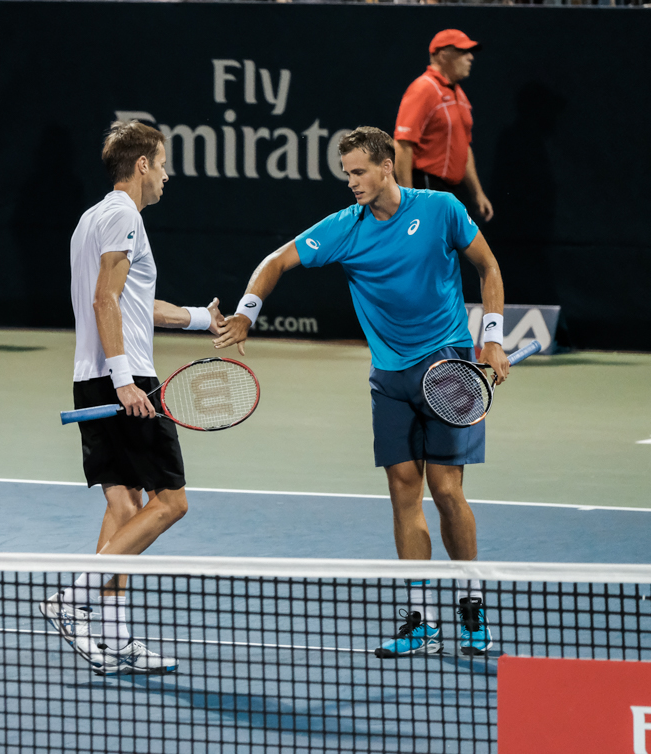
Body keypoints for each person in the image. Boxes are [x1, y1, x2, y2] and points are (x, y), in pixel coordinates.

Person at [213, 126, 507, 658]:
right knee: (402, 491)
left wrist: (492, 339)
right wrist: (246, 313)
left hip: (449, 365)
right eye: (346, 173)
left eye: (358, 171)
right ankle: (420, 617)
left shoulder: (441, 208)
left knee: (446, 490)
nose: (350, 182)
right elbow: (275, 262)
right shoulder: (344, 229)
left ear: (386, 166)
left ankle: (472, 602)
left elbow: (487, 267)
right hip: (390, 378)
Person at [40, 120, 224, 675]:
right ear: (142, 164)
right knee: (172, 502)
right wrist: (125, 380)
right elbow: (104, 301)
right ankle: (71, 600)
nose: (167, 175)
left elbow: (132, 303)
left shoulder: (92, 219)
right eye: (163, 164)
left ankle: (116, 637)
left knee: (125, 508)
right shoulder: (124, 216)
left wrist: (198, 318)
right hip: (124, 381)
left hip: (91, 376)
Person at [393, 29, 493, 223]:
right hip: (427, 185)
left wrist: (477, 193)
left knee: (444, 249)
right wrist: (407, 198)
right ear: (443, 54)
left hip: (450, 190)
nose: (470, 58)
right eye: (464, 52)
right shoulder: (424, 88)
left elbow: (464, 147)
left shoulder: (459, 95)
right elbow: (403, 144)